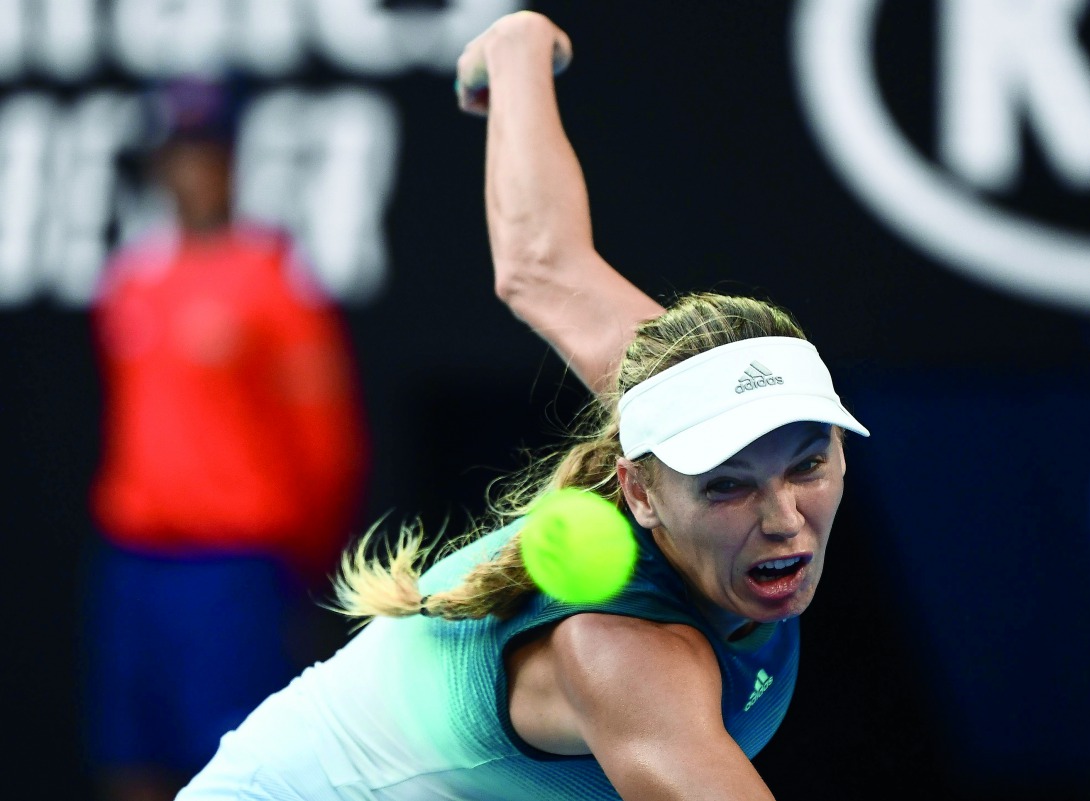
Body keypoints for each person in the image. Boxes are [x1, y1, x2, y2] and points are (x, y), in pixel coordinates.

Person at [176, 12, 869, 801]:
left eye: (807, 462)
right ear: (641, 491)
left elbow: (541, 264)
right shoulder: (625, 657)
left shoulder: (673, 398)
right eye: (728, 484)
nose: (783, 515)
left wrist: (518, 54)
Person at [84, 76, 369, 801]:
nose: (193, 174)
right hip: (135, 563)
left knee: (237, 763)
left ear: (233, 161)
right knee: (130, 753)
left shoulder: (276, 279)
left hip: (232, 569)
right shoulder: (129, 279)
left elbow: (325, 442)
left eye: (207, 154)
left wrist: (302, 564)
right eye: (178, 156)